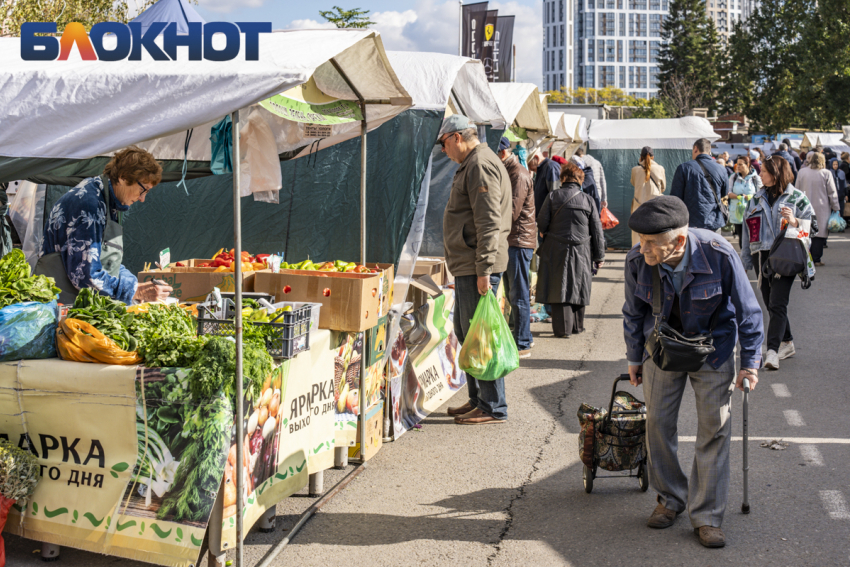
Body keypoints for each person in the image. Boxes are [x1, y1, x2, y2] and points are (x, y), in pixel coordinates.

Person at [623, 196, 763, 550]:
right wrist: (634, 358)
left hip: (712, 351)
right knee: (657, 424)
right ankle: (670, 498)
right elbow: (633, 311)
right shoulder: (638, 259)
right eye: (641, 239)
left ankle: (708, 516)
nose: (644, 248)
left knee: (714, 429)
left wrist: (749, 362)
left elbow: (748, 311)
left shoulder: (718, 253)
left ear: (680, 241)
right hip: (661, 350)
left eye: (652, 242)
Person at [439, 115, 511, 425]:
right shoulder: (475, 162)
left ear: (456, 137)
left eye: (443, 144)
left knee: (480, 337)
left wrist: (483, 268)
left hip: (477, 265)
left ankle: (492, 406)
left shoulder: (479, 163)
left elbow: (488, 220)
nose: (444, 151)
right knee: (468, 334)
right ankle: (478, 400)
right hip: (471, 264)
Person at [38, 146, 172, 305]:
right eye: (143, 189)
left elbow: (106, 262)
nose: (142, 198)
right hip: (60, 304)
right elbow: (85, 276)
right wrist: (136, 290)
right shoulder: (89, 205)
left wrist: (133, 283)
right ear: (123, 177)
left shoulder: (106, 200)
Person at [740, 156, 814, 370]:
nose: (760, 174)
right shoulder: (755, 199)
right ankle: (787, 341)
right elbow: (746, 234)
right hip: (760, 257)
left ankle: (772, 351)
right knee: (770, 301)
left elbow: (812, 229)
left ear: (776, 173)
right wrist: (744, 264)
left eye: (764, 171)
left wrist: (795, 221)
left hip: (785, 256)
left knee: (777, 302)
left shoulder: (798, 198)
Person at [536, 162, 604, 338]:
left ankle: (562, 329)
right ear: (580, 181)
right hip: (582, 249)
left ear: (563, 178)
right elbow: (597, 230)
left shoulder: (552, 196)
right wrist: (599, 256)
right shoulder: (588, 200)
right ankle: (577, 327)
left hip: (556, 248)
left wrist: (548, 233)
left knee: (559, 286)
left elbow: (542, 223)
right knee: (579, 285)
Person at [497, 137, 536, 358]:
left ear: (502, 153)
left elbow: (511, 212)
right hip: (516, 240)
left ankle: (522, 343)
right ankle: (524, 337)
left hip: (518, 241)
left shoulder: (518, 174)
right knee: (516, 294)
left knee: (518, 294)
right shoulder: (513, 172)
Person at [670, 138, 728, 232]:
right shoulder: (722, 169)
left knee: (692, 247)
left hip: (690, 224)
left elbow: (675, 199)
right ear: (709, 151)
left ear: (695, 149)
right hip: (714, 222)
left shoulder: (684, 168)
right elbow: (724, 196)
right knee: (713, 247)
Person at [795, 152, 840, 266]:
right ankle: (816, 259)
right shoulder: (826, 173)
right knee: (819, 234)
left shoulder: (802, 172)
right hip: (822, 207)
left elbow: (797, 190)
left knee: (806, 232)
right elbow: (832, 193)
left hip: (804, 206)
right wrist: (836, 208)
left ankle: (804, 257)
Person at [630, 146, 667, 247]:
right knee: (654, 235)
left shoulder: (635, 170)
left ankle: (637, 257)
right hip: (655, 207)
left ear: (641, 157)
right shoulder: (660, 169)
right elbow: (663, 188)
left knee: (638, 237)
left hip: (639, 207)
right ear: (653, 157)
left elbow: (634, 183)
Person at [727, 154, 763, 247]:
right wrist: (738, 196)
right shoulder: (733, 177)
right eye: (737, 164)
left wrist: (750, 196)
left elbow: (761, 194)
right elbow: (728, 193)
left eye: (740, 164)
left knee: (752, 239)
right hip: (738, 214)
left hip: (752, 213)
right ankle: (743, 260)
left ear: (747, 165)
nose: (737, 166)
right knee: (742, 239)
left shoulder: (756, 178)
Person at [529, 149, 561, 215]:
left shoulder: (551, 167)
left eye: (529, 164)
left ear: (537, 158)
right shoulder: (542, 168)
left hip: (547, 220)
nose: (529, 167)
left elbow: (555, 196)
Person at [829, 158, 847, 222]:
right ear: (831, 164)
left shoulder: (841, 173)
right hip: (832, 196)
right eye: (834, 164)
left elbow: (844, 184)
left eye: (836, 164)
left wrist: (846, 194)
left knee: (841, 210)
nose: (835, 166)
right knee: (832, 210)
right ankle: (832, 224)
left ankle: (840, 224)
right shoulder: (829, 173)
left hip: (841, 195)